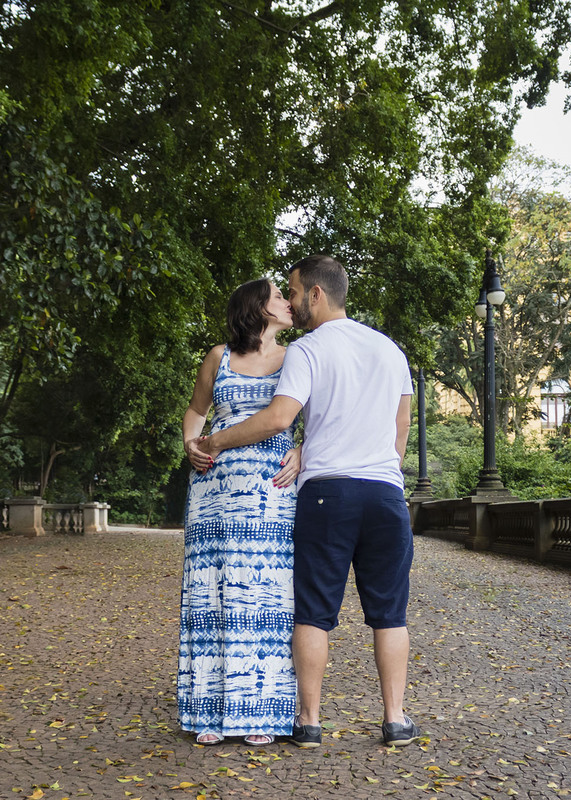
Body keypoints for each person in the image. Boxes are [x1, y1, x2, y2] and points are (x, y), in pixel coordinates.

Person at [198, 255, 421, 748]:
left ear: (316, 295)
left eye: (294, 292)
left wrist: (215, 442)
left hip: (328, 494)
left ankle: (309, 721)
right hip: (385, 493)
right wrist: (384, 468)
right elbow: (401, 428)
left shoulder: (308, 350)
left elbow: (279, 418)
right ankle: (395, 718)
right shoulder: (390, 350)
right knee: (390, 613)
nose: (292, 303)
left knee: (314, 613)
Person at [176, 279, 301, 747]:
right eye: (278, 298)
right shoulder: (218, 356)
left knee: (267, 596)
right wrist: (190, 442)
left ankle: (261, 713)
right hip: (215, 489)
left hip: (271, 490)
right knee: (215, 593)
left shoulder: (296, 358)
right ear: (256, 307)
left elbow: (321, 415)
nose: (289, 303)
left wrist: (304, 451)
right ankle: (209, 711)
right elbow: (195, 410)